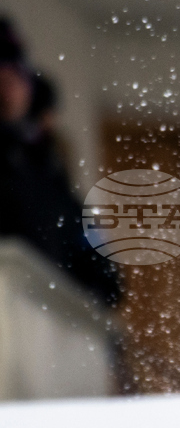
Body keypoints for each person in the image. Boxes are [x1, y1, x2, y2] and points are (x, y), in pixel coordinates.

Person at [0, 19, 121, 306]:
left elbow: (104, 275)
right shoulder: (27, 173)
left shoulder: (49, 179)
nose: (8, 90)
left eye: (14, 79)